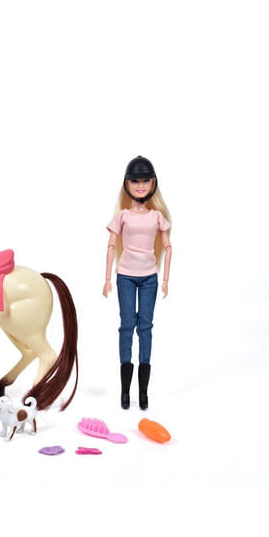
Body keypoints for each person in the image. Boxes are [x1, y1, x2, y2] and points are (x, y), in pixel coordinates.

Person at [103, 156, 172, 410]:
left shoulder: (157, 216)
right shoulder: (122, 216)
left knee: (145, 327)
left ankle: (143, 392)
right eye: (135, 181)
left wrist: (165, 279)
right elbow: (111, 247)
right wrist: (107, 279)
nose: (140, 185)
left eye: (145, 181)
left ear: (153, 184)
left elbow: (168, 247)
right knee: (126, 326)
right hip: (125, 276)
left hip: (149, 278)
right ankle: (125, 391)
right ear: (127, 184)